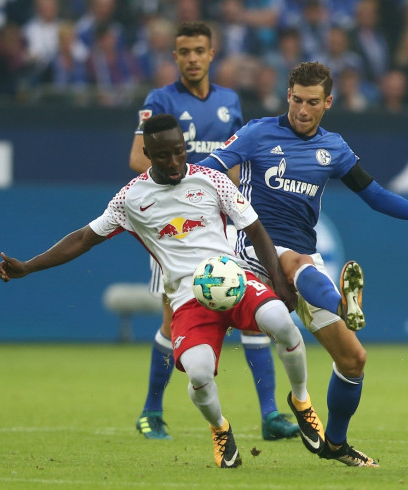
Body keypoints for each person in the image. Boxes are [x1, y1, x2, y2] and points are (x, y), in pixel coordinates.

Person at [0, 114, 326, 469]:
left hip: (235, 281)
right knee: (199, 374)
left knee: (282, 322)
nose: (174, 163)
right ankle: (220, 428)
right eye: (164, 155)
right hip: (187, 299)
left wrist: (278, 282)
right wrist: (29, 266)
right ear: (147, 153)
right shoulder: (131, 199)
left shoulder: (211, 179)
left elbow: (257, 230)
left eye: (180, 152)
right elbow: (82, 239)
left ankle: (302, 401)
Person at [199, 61, 408, 467]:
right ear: (288, 96)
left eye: (312, 103)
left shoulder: (334, 148)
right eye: (297, 100)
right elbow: (211, 169)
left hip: (303, 259)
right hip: (255, 251)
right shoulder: (257, 133)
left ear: (328, 102)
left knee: (354, 359)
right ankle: (342, 303)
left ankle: (335, 444)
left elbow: (373, 194)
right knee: (296, 263)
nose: (303, 110)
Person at [127, 21, 299, 442]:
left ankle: (271, 414)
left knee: (250, 308)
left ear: (211, 53)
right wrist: (188, 178)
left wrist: (237, 199)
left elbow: (237, 159)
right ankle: (151, 411)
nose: (191, 58)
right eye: (183, 51)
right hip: (175, 227)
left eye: (198, 51)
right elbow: (137, 159)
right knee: (174, 320)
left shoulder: (229, 101)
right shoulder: (159, 99)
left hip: (220, 224)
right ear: (175, 57)